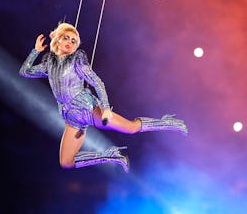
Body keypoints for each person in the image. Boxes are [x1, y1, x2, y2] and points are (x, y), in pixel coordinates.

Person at [19, 22, 188, 173]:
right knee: (66, 162)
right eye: (66, 38)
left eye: (73, 41)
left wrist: (106, 109)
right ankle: (111, 156)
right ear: (57, 40)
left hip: (88, 109)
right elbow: (25, 71)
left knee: (131, 128)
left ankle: (170, 122)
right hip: (71, 118)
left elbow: (97, 82)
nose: (70, 42)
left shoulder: (76, 60)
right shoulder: (50, 62)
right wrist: (35, 51)